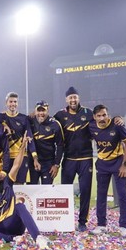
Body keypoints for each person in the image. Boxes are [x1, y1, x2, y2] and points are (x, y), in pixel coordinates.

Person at [0, 134, 49, 250]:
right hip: (2, 226)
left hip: (15, 221)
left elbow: (16, 165)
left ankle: (38, 238)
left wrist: (23, 146)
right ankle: (13, 239)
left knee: (20, 206)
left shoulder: (6, 182)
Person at [53, 87, 94, 232]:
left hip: (86, 158)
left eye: (75, 97)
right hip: (69, 159)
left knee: (85, 190)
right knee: (65, 192)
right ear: (66, 100)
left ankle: (82, 222)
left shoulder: (88, 113)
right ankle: (66, 220)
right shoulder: (59, 115)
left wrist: (117, 119)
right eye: (70, 98)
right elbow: (46, 122)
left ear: (78, 98)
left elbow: (104, 120)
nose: (73, 100)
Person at [89, 104, 126, 236]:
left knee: (122, 194)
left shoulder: (117, 125)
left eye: (104, 115)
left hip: (118, 163)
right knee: (101, 195)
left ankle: (124, 226)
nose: (102, 118)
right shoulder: (91, 126)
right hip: (102, 165)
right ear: (94, 117)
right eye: (99, 116)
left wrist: (124, 164)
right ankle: (101, 225)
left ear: (108, 115)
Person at [0, 92, 39, 184]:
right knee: (4, 184)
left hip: (21, 156)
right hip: (5, 157)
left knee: (19, 184)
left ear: (17, 103)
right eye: (10, 101)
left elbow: (30, 139)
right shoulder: (0, 117)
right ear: (6, 103)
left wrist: (35, 157)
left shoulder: (24, 118)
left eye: (15, 102)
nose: (13, 104)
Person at [28, 101, 63, 185]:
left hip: (48, 163)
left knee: (46, 191)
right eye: (38, 111)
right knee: (31, 190)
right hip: (32, 162)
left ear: (47, 111)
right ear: (35, 111)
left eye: (43, 110)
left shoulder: (55, 124)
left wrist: (56, 164)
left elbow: (60, 145)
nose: (41, 113)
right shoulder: (29, 121)